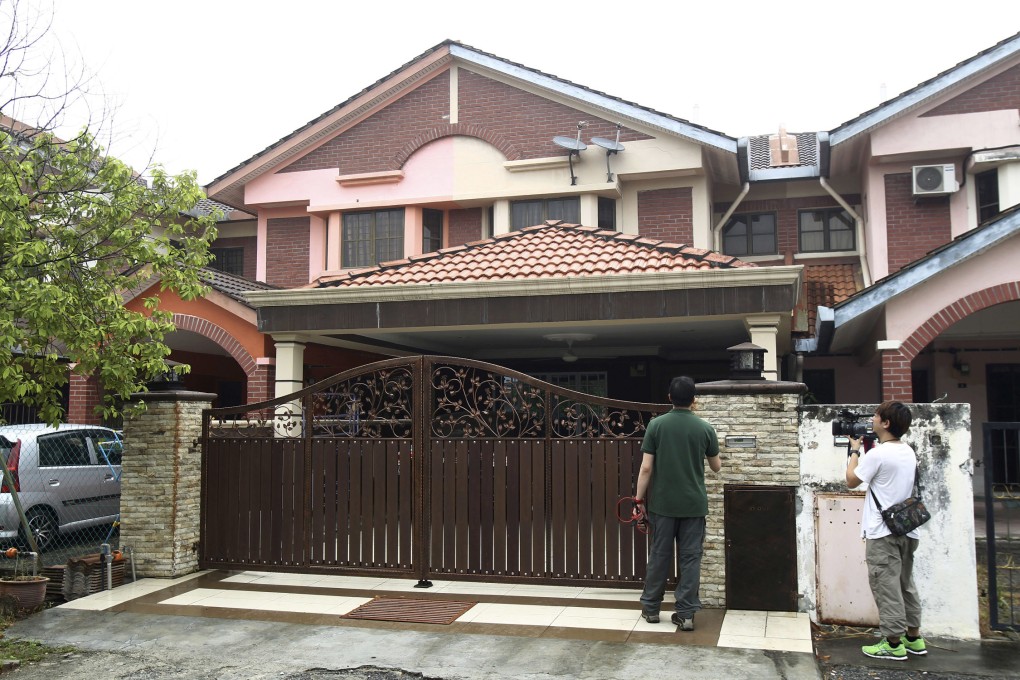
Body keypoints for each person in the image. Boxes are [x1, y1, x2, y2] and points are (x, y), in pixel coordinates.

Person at [634, 376, 721, 630]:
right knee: (691, 558)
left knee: (660, 556)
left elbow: (646, 468)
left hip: (663, 505)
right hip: (694, 505)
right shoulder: (705, 429)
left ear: (669, 397)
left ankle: (651, 609)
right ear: (694, 400)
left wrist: (638, 500)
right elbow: (716, 467)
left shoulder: (656, 426)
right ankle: (686, 614)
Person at [846, 400, 927, 661]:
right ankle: (913, 637)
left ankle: (892, 643)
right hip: (907, 528)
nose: (872, 419)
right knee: (906, 583)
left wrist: (854, 451)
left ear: (886, 423)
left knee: (886, 585)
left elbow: (851, 481)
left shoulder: (879, 454)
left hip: (883, 532)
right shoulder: (908, 451)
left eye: (876, 416)